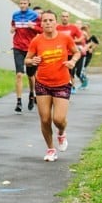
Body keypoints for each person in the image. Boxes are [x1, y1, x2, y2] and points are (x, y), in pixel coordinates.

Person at [25, 10, 80, 162]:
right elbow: (27, 60)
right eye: (45, 20)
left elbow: (77, 53)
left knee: (59, 119)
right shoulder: (37, 40)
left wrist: (72, 62)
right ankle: (51, 149)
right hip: (42, 83)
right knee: (45, 119)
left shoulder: (65, 38)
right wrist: (33, 61)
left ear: (56, 22)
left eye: (50, 20)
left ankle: (61, 133)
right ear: (41, 23)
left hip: (62, 83)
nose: (48, 23)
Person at [10, 0, 41, 113]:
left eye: (25, 3)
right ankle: (18, 101)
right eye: (21, 3)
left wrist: (33, 26)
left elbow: (41, 30)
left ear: (29, 4)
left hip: (30, 49)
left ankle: (32, 94)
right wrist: (12, 29)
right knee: (19, 74)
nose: (22, 5)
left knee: (30, 75)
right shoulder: (15, 15)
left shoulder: (34, 16)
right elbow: (13, 25)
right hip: (17, 47)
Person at [55, 11, 84, 90]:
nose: (64, 18)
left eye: (66, 16)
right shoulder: (57, 27)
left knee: (71, 72)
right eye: (63, 16)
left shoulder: (73, 27)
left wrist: (73, 42)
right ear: (61, 18)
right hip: (59, 53)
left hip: (70, 53)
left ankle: (72, 87)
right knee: (60, 71)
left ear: (69, 18)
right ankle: (61, 86)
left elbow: (81, 38)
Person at [78, 23, 99, 88]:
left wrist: (92, 48)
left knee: (82, 68)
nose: (85, 29)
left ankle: (84, 81)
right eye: (84, 28)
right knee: (80, 69)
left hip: (88, 55)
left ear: (89, 29)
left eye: (86, 28)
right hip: (82, 54)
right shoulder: (82, 36)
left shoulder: (92, 37)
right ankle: (84, 81)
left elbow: (96, 43)